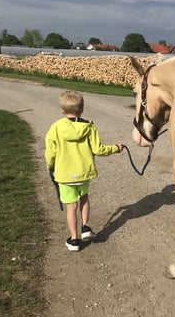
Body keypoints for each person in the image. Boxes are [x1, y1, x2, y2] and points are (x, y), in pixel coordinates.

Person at [45, 90, 123, 251]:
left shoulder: (55, 128)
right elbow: (98, 149)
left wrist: (50, 166)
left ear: (62, 110)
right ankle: (86, 227)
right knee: (84, 198)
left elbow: (50, 152)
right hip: (83, 173)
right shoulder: (89, 126)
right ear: (81, 110)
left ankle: (74, 239)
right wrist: (116, 148)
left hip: (65, 175)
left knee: (70, 207)